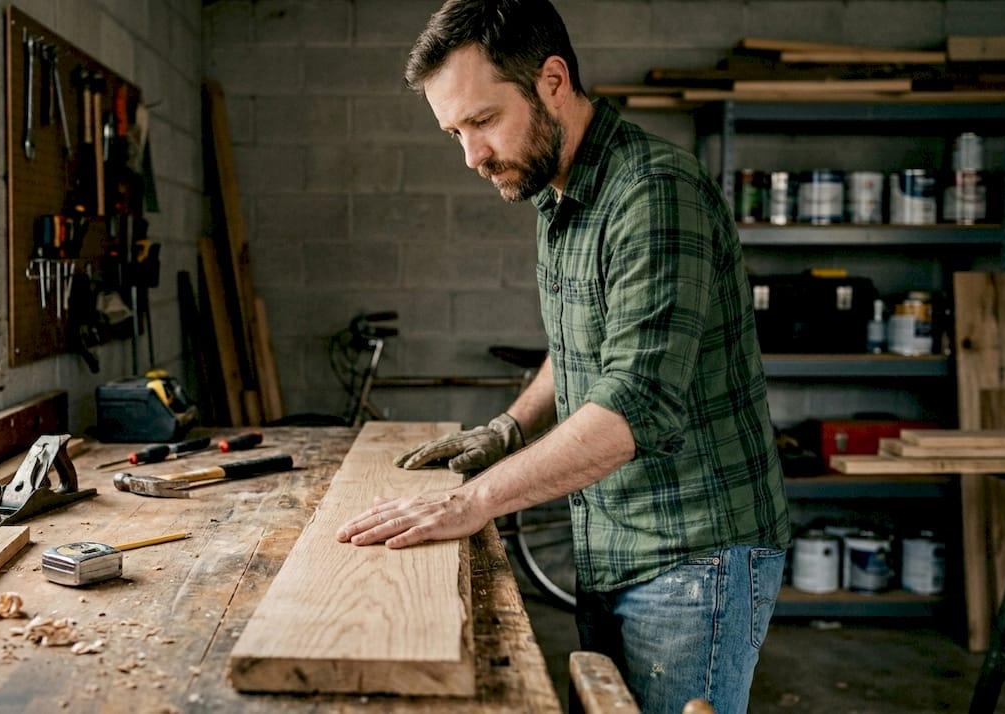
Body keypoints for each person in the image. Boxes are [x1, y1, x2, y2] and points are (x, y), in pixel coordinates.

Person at [334, 1, 791, 711]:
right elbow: (583, 348)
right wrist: (506, 430)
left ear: (552, 80)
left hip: (694, 555)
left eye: (483, 122)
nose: (472, 158)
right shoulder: (560, 195)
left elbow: (632, 404)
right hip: (613, 536)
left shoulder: (653, 192)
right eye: (454, 132)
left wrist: (473, 501)